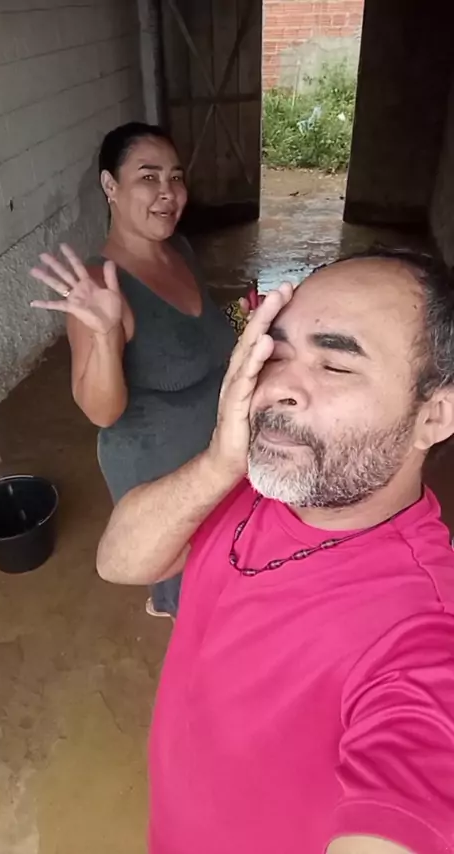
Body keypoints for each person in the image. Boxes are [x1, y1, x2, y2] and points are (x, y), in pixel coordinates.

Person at [97, 249, 454, 854]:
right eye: (278, 354)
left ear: (435, 415)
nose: (280, 387)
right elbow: (119, 562)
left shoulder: (422, 627)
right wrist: (219, 460)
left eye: (335, 364)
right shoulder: (256, 482)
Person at [29, 121, 236, 619]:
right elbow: (102, 412)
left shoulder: (179, 250)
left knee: (222, 577)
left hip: (214, 459)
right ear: (110, 186)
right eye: (148, 177)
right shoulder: (100, 285)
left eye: (176, 177)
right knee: (195, 602)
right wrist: (104, 333)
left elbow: (196, 338)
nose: (168, 193)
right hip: (158, 469)